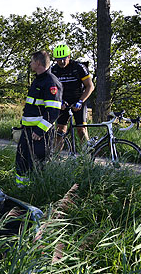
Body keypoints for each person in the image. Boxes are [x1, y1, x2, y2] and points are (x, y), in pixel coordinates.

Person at [15, 51, 63, 187]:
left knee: (37, 165)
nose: (30, 64)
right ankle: (21, 189)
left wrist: (40, 131)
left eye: (31, 61)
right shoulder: (38, 79)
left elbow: (53, 111)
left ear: (37, 63)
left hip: (39, 135)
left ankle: (36, 192)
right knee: (22, 161)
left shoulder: (51, 82)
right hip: (28, 131)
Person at [51, 44, 94, 144]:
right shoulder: (54, 70)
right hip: (63, 101)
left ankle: (87, 156)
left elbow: (90, 86)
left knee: (81, 130)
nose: (61, 62)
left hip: (78, 100)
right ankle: (55, 158)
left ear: (69, 57)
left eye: (64, 59)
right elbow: (52, 90)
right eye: (58, 59)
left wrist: (80, 101)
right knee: (60, 132)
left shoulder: (78, 67)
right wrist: (59, 101)